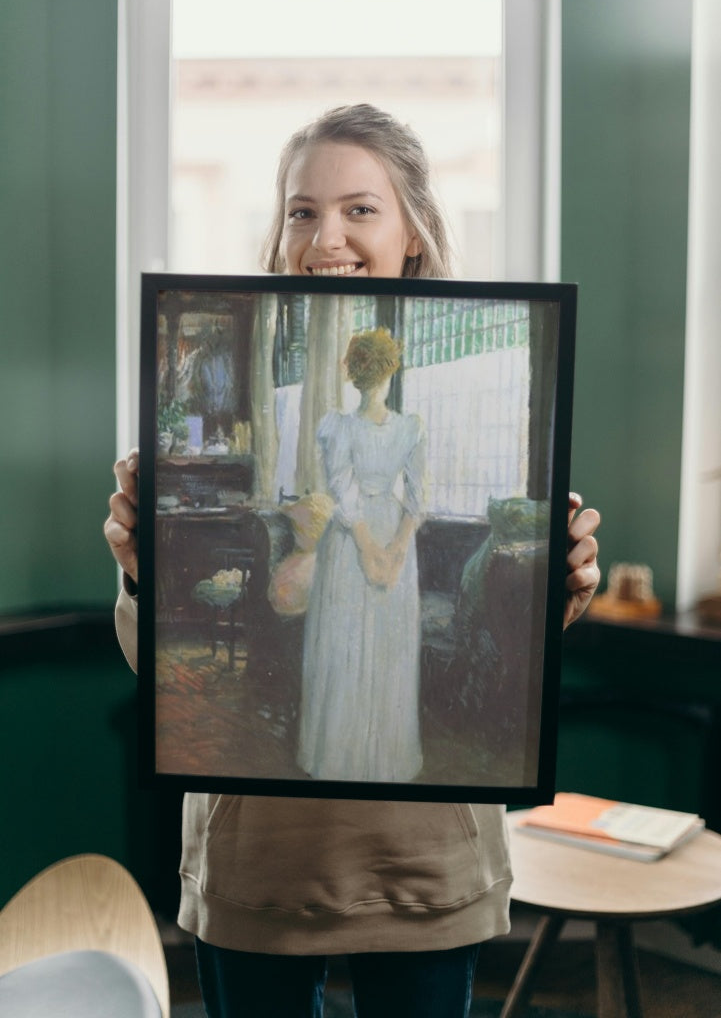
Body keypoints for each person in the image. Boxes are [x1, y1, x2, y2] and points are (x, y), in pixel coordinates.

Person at [105, 103, 601, 1018]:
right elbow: (154, 665)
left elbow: (418, 508)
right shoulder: (323, 420)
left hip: (424, 865)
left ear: (412, 230)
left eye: (359, 209)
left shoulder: (417, 416)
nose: (324, 235)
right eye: (301, 210)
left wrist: (556, 593)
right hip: (258, 866)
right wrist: (144, 573)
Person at [298, 328, 426, 782]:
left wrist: (389, 552)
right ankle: (351, 761)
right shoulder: (354, 426)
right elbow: (408, 498)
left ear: (356, 375)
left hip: (371, 536)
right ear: (389, 372)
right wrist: (386, 550)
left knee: (374, 648)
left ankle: (368, 760)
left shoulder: (393, 427)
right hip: (365, 538)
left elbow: (398, 494)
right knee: (352, 644)